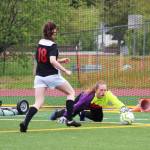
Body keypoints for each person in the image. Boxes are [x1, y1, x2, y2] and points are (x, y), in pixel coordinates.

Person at [19, 21, 81, 132]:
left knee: (38, 102)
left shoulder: (40, 43)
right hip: (52, 76)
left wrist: (61, 60)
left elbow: (44, 59)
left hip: (39, 77)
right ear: (52, 31)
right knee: (71, 92)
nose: (56, 31)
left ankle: (25, 123)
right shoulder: (53, 45)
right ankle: (70, 120)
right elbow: (52, 61)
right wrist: (65, 70)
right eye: (55, 30)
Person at [50, 80, 134, 123]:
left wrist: (123, 108)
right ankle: (57, 113)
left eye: (105, 90)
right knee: (71, 113)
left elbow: (116, 101)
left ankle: (83, 114)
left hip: (95, 105)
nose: (103, 92)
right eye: (101, 90)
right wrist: (65, 116)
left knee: (98, 119)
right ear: (96, 90)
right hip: (83, 103)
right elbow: (76, 105)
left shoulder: (108, 94)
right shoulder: (87, 96)